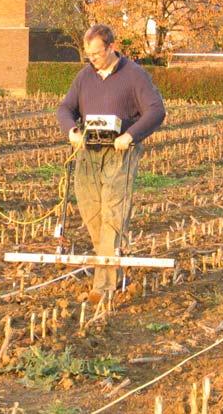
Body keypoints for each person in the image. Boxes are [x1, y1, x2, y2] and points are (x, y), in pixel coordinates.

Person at [56, 24, 166, 304]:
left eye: (96, 53)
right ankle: (110, 265)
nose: (92, 59)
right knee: (92, 212)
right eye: (88, 54)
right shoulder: (84, 77)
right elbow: (66, 108)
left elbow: (155, 110)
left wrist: (130, 135)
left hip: (120, 152)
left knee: (113, 213)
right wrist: (72, 131)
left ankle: (103, 286)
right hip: (89, 151)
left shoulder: (134, 75)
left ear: (111, 47)